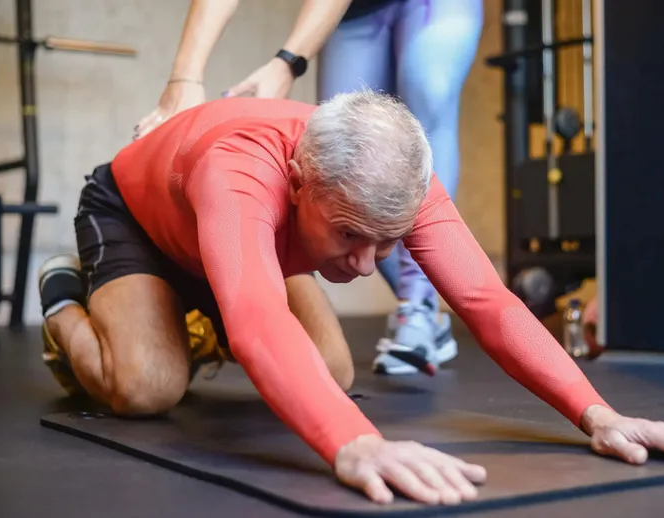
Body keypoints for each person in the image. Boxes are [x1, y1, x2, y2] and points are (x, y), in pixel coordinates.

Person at [43, 90, 664, 507]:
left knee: (333, 375)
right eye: (350, 236)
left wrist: (598, 414)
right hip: (140, 218)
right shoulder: (242, 171)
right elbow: (257, 321)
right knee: (145, 388)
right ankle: (68, 298)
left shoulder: (395, 182)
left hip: (241, 244)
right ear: (297, 181)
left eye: (388, 241)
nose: (367, 265)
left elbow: (487, 301)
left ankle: (183, 315)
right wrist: (356, 446)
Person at [134, 0, 483, 375]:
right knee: (348, 169)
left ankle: (418, 307)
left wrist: (288, 61)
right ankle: (418, 302)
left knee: (428, 84)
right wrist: (185, 78)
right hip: (357, 14)